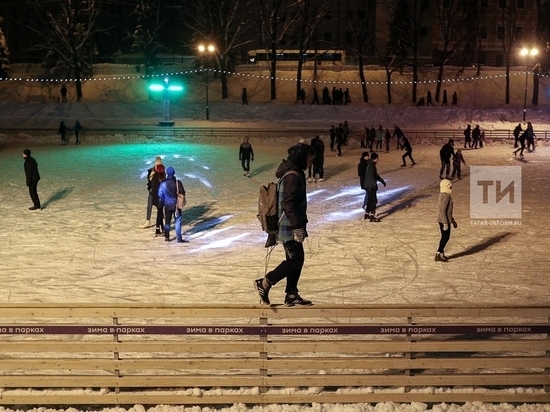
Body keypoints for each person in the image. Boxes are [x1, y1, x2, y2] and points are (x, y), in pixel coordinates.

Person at [254, 142, 314, 307]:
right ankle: (265, 283)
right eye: (309, 157)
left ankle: (291, 294)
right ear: (301, 156)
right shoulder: (293, 176)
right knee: (295, 260)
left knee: (296, 259)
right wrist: (297, 226)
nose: (311, 161)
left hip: (290, 224)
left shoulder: (291, 173)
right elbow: (288, 203)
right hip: (289, 225)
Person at [158, 166, 186, 243]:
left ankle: (167, 237)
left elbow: (160, 194)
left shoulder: (163, 183)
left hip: (167, 205)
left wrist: (165, 199)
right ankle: (179, 238)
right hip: (177, 205)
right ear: (174, 173)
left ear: (167, 173)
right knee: (178, 221)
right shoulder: (178, 182)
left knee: (167, 221)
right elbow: (183, 193)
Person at [435, 179, 457, 262]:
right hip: (444, 220)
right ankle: (438, 253)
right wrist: (445, 223)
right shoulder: (446, 196)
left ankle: (441, 253)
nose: (451, 186)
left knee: (445, 237)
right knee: (445, 237)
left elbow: (448, 211)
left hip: (444, 219)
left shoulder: (443, 194)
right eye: (450, 185)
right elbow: (442, 210)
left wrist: (453, 221)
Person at [363, 152, 386, 222]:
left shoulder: (370, 165)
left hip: (368, 185)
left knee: (370, 200)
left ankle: (367, 213)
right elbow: (372, 177)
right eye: (377, 158)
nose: (378, 160)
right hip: (370, 186)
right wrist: (374, 186)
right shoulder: (372, 166)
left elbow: (375, 175)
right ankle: (372, 215)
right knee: (373, 200)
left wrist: (381, 181)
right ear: (375, 159)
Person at [142, 156, 163, 229]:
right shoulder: (152, 171)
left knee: (158, 207)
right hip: (152, 192)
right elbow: (149, 181)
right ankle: (148, 221)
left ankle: (160, 220)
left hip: (157, 193)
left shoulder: (161, 172)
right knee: (150, 206)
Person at [150, 163, 166, 236]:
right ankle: (157, 229)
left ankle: (161, 227)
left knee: (160, 213)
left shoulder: (154, 177)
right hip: (159, 198)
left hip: (156, 198)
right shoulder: (160, 178)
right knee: (160, 214)